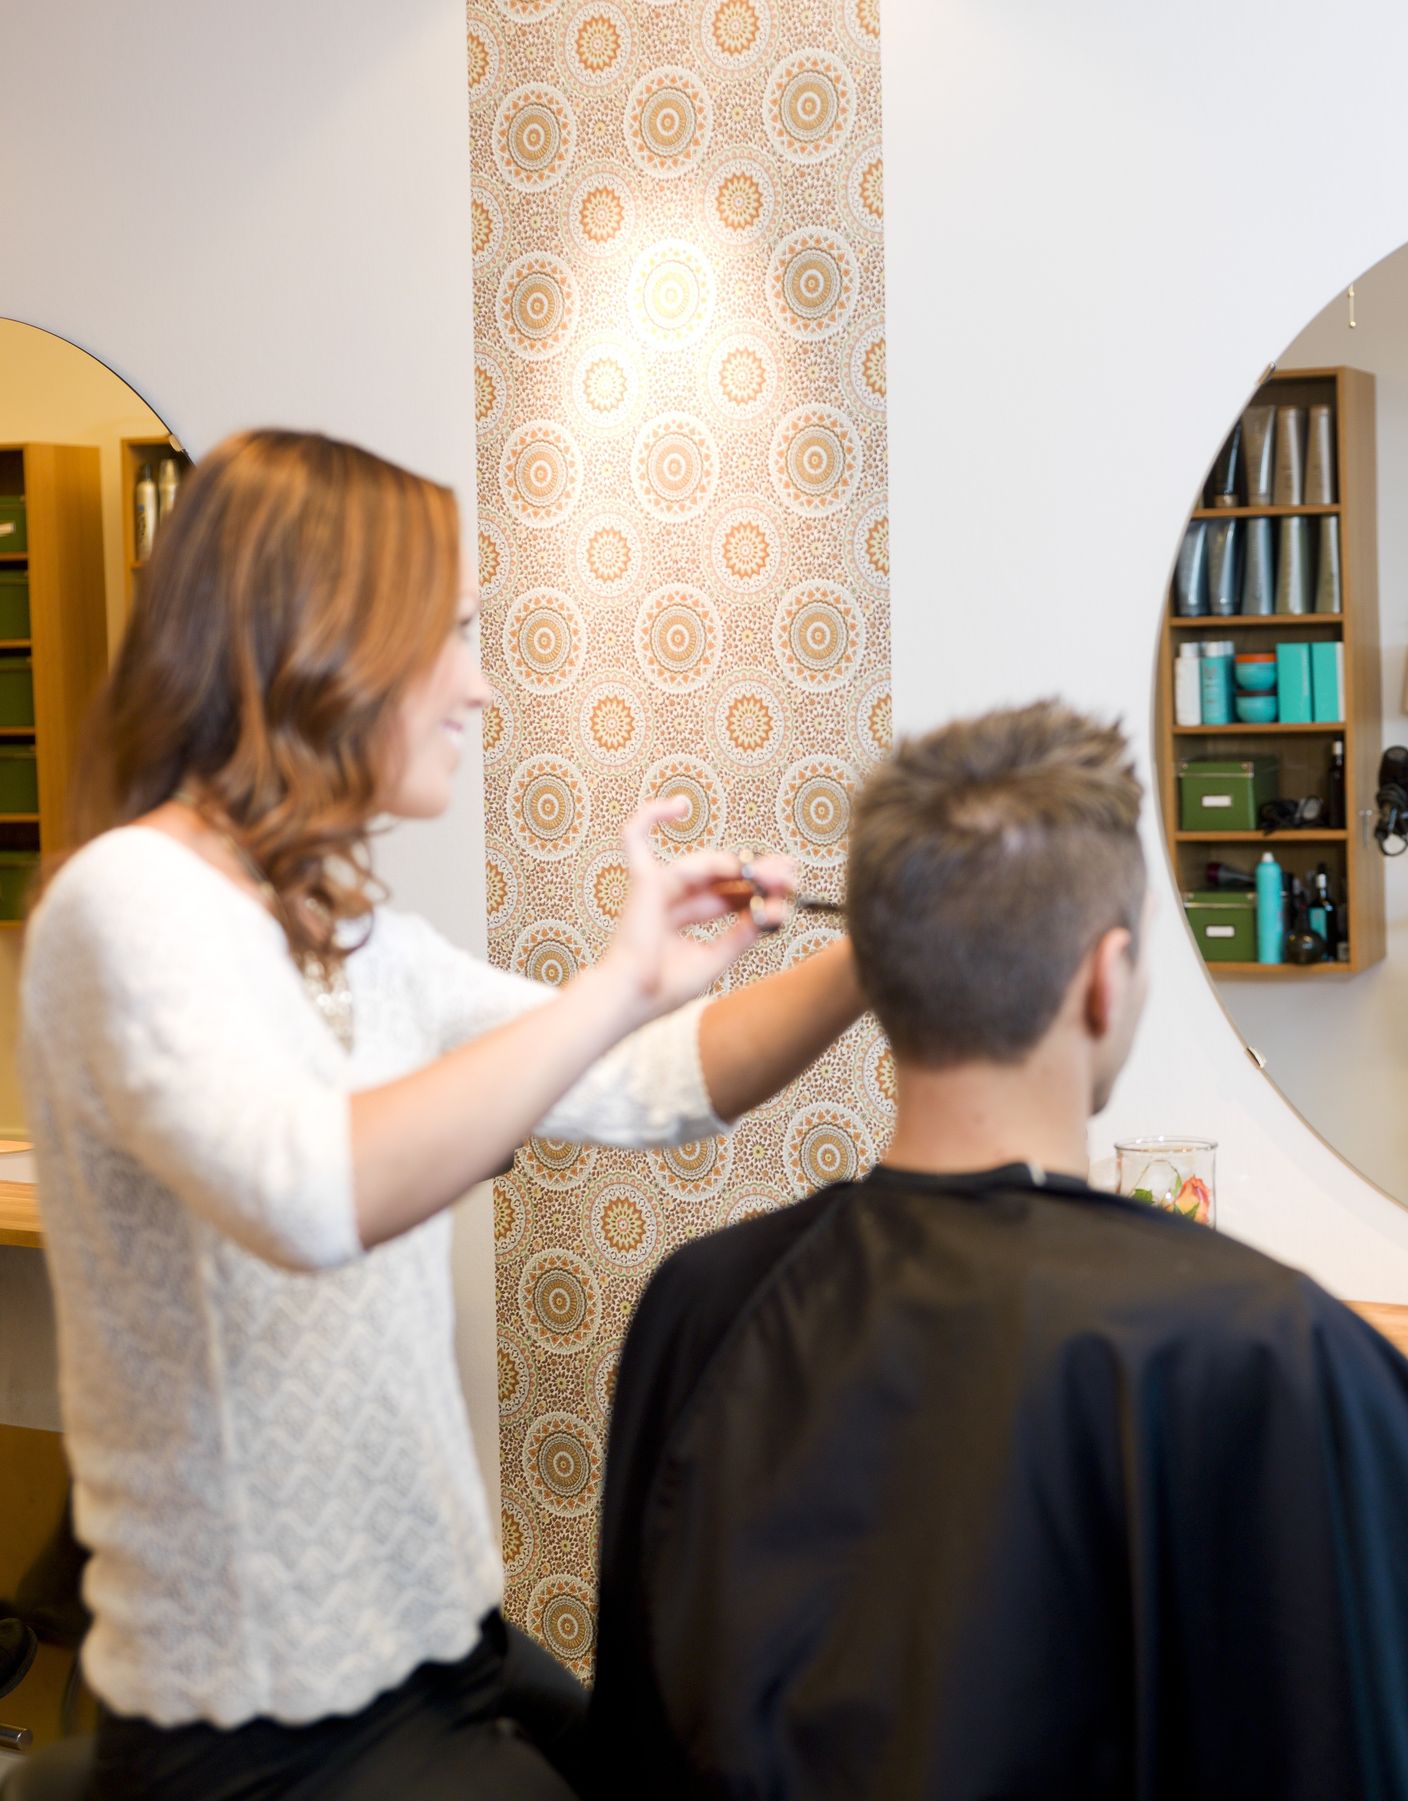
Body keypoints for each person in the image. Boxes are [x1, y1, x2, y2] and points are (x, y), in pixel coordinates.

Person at [584, 701, 1408, 1800]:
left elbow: (646, 1725)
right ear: (1106, 979)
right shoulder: (1249, 1340)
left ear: (882, 964)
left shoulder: (702, 1303)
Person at [18, 431, 864, 1801]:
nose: (480, 683)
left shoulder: (355, 935)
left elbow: (654, 1080)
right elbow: (305, 1194)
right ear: (320, 638)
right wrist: (616, 982)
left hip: (437, 1642)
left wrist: (878, 950)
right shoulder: (128, 904)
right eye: (454, 633)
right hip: (254, 1717)